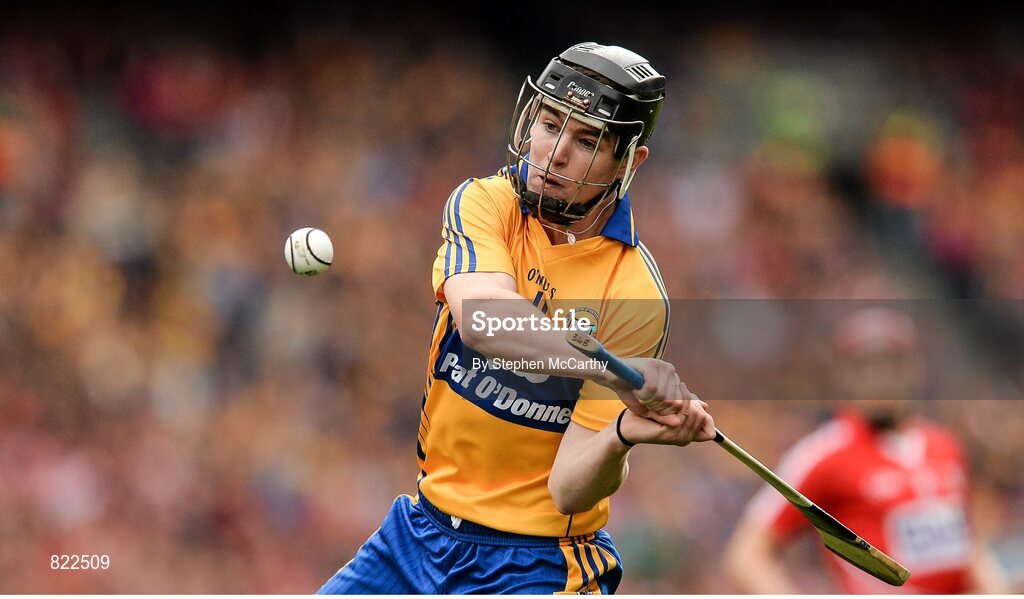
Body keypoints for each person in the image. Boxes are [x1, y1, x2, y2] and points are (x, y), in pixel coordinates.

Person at [317, 42, 716, 594]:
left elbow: (570, 490)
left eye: (587, 140)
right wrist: (611, 369)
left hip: (538, 564)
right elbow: (483, 320)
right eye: (550, 125)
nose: (555, 154)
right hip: (421, 533)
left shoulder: (634, 292)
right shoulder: (486, 203)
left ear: (630, 161)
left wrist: (623, 432)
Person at [723, 306, 1009, 594]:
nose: (879, 378)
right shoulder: (822, 455)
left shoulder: (944, 446)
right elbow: (747, 554)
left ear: (914, 369)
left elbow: (967, 547)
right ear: (844, 377)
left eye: (890, 363)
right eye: (865, 368)